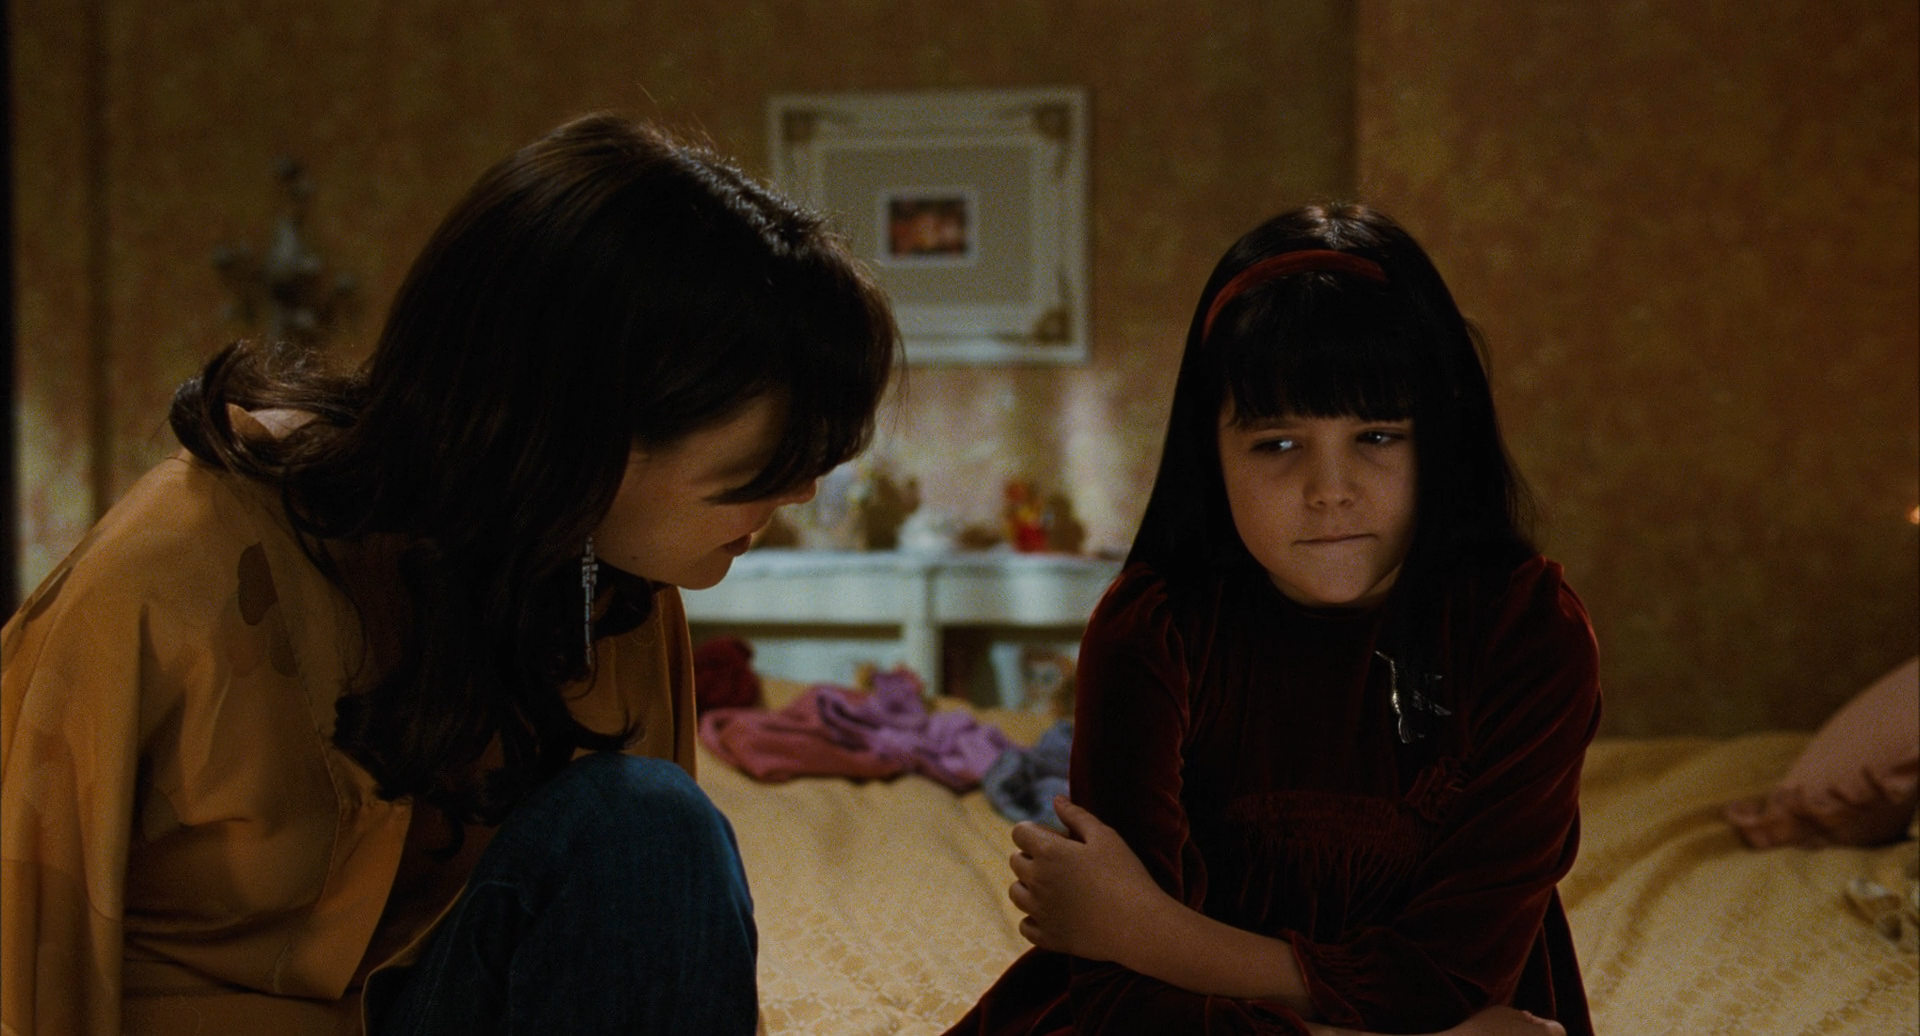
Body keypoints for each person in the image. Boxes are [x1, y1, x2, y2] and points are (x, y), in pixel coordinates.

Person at [1, 113, 897, 1036]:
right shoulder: (184, 560)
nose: (802, 492)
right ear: (579, 426)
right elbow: (21, 924)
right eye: (770, 465)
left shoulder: (611, 584)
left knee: (649, 827)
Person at [945, 204, 1599, 1036]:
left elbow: (1448, 982)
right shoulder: (1154, 631)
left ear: (1442, 438)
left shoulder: (1526, 633)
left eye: (1377, 435)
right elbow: (1121, 1004)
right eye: (1277, 444)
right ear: (1210, 453)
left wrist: (1147, 929)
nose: (1331, 490)